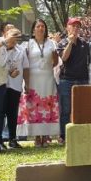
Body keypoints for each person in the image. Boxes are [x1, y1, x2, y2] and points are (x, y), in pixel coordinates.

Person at [19, 18, 60, 146]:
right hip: (32, 79)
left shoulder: (51, 43)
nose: (41, 28)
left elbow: (56, 62)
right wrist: (25, 81)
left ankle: (46, 135)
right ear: (33, 30)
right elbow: (24, 63)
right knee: (33, 106)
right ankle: (37, 137)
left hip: (47, 78)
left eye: (43, 26)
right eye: (38, 26)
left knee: (47, 105)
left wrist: (54, 55)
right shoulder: (27, 44)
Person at [56, 18, 89, 143]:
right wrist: (70, 42)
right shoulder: (62, 43)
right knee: (66, 109)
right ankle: (64, 135)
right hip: (66, 80)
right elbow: (64, 58)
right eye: (73, 26)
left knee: (82, 108)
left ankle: (81, 134)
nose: (75, 28)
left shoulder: (84, 44)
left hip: (82, 80)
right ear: (67, 28)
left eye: (77, 26)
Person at [1, 23, 30, 149]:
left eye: (17, 35)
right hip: (0, 84)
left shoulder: (21, 50)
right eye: (11, 33)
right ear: (5, 34)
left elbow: (26, 68)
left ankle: (12, 139)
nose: (15, 37)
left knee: (12, 113)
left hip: (15, 85)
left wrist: (27, 84)